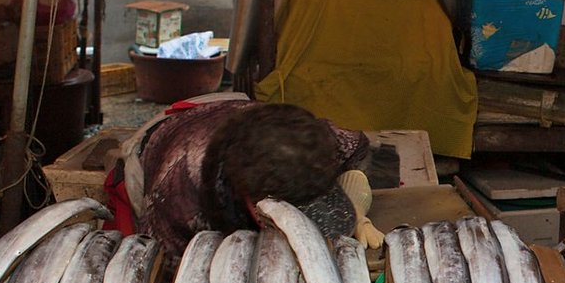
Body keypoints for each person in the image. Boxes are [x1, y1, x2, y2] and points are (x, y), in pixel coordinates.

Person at [106, 94, 383, 255]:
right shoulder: (179, 199)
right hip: (162, 145)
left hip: (228, 109)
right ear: (249, 197)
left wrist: (356, 208)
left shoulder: (315, 138)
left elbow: (358, 150)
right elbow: (165, 281)